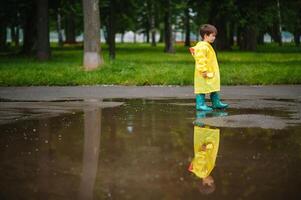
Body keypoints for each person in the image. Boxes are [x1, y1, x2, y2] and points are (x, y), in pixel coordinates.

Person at [189, 24, 228, 111]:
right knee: (201, 88)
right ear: (206, 35)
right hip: (204, 72)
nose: (214, 38)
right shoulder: (203, 46)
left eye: (215, 36)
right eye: (212, 36)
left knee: (213, 86)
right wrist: (203, 70)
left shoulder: (207, 45)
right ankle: (200, 104)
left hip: (210, 72)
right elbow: (200, 59)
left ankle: (216, 103)